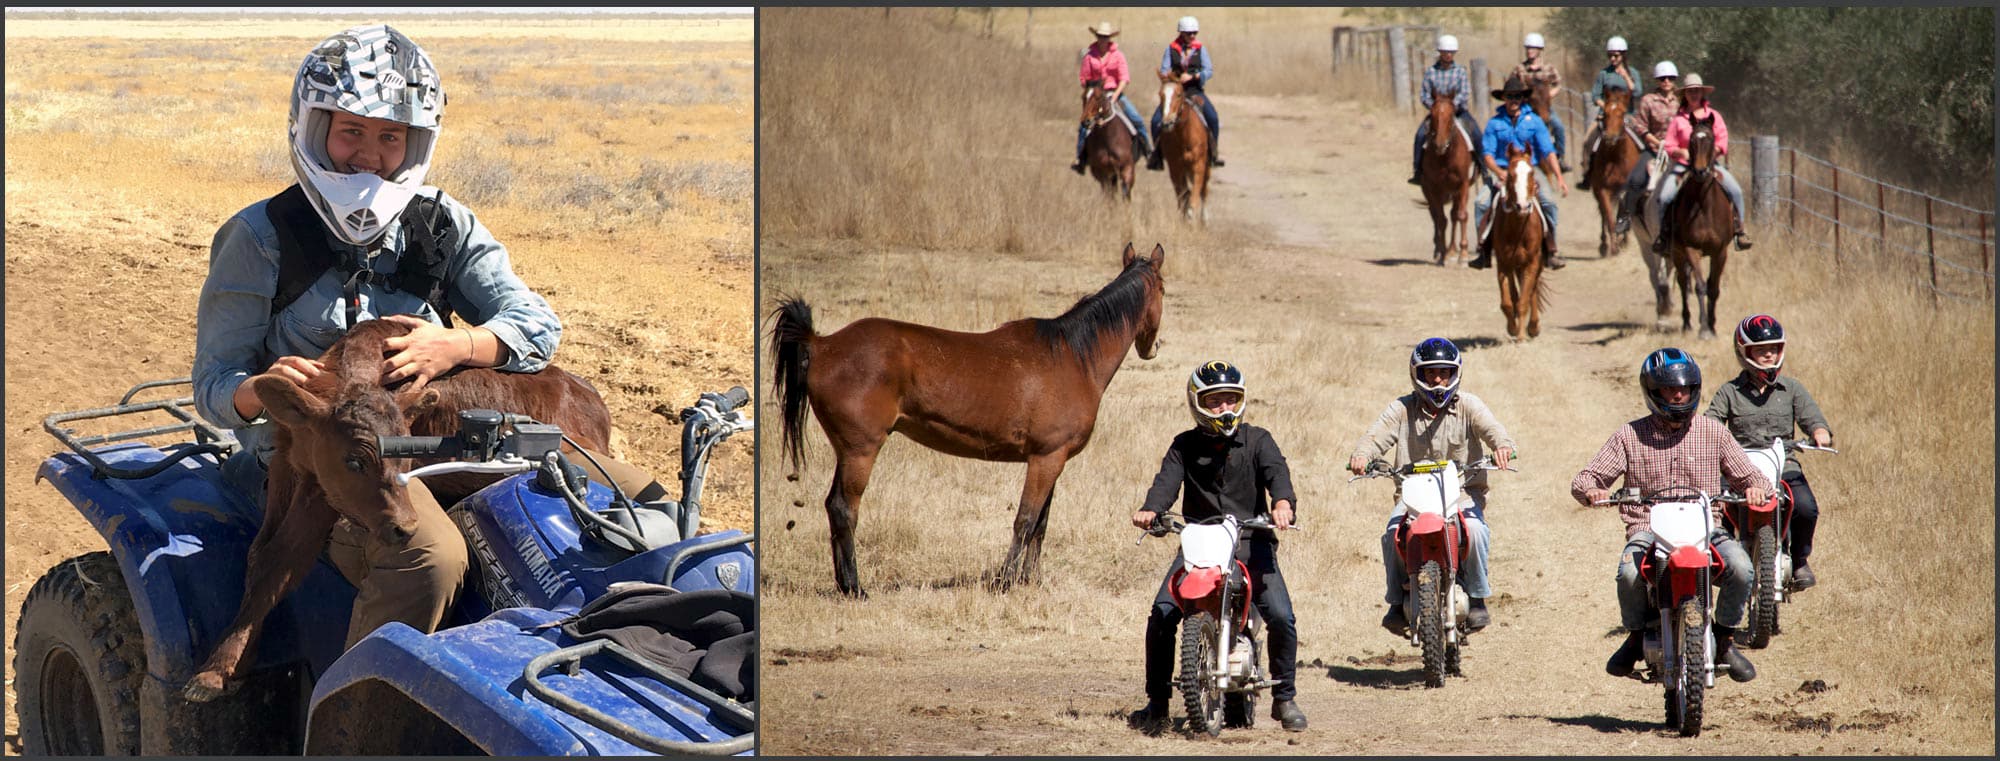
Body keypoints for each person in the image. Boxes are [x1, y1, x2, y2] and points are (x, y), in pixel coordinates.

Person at [193, 25, 667, 650]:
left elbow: (537, 325)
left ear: (415, 143)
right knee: (432, 558)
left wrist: (460, 347)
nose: (369, 154)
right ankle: (357, 713)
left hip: (440, 447)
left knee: (645, 505)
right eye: (351, 131)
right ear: (313, 130)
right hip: (317, 464)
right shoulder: (260, 238)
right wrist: (262, 389)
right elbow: (212, 386)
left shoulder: (442, 224)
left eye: (391, 137)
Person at [1570, 348, 1771, 683]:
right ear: (1652, 392)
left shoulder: (1714, 433)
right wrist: (1593, 491)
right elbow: (1585, 479)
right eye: (1668, 389)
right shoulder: (1629, 436)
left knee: (1741, 568)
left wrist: (1755, 488)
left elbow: (1753, 476)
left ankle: (1724, 640)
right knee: (1629, 575)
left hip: (1707, 529)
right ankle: (1635, 638)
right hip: (1648, 528)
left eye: (1685, 389)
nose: (1678, 395)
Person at [1130, 361, 1306, 733]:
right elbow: (1166, 483)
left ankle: (1284, 698)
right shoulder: (1184, 445)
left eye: (1231, 399)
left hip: (1250, 541)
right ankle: (1157, 704)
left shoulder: (1259, 439)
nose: (1225, 408)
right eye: (1215, 402)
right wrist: (1152, 510)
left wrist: (1283, 503)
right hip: (1199, 542)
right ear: (1197, 403)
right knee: (1162, 614)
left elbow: (1278, 473)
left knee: (1281, 616)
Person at [1347, 338, 1515, 635]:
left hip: (1462, 492)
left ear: (1455, 373)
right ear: (1416, 374)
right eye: (1430, 373)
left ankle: (1477, 598)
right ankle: (1397, 603)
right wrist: (1362, 455)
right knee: (1391, 535)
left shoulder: (1469, 405)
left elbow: (1494, 430)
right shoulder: (1402, 408)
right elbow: (1375, 436)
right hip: (1413, 495)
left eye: (1444, 372)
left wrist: (1502, 446)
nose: (1437, 379)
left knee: (1476, 530)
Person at [1704, 314, 1833, 589]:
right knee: (1717, 510)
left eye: (1773, 349)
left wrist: (1819, 431)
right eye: (1761, 350)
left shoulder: (1792, 388)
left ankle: (1799, 561)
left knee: (1806, 508)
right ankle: (1723, 565)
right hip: (1738, 466)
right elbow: (1710, 423)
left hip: (1783, 463)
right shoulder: (1729, 392)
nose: (1768, 355)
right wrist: (1710, 440)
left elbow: (1813, 418)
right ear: (1745, 352)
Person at [1469, 74, 1569, 271]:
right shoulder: (1494, 123)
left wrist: (1559, 177)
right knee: (1481, 203)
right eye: (1509, 97)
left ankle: (1551, 249)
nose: (1513, 101)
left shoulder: (1535, 121)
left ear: (1523, 98)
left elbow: (1548, 151)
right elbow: (1487, 154)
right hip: (1504, 171)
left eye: (1517, 97)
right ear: (1504, 98)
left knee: (1548, 202)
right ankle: (1483, 250)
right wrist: (1498, 172)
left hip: (1528, 170)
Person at [1649, 72, 1754, 253]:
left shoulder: (1714, 116)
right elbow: (1670, 143)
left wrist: (1712, 152)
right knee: (1665, 196)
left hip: (1710, 165)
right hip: (1683, 165)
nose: (1694, 94)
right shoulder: (1679, 119)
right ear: (1685, 95)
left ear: (1702, 93)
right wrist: (1680, 151)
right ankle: (1664, 236)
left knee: (1736, 190)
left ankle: (1739, 231)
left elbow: (1722, 140)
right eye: (1690, 91)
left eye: (1697, 91)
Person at [1074, 21, 1152, 175]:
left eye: (1106, 37)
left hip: (1114, 93)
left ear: (1110, 38)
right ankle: (1080, 159)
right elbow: (1084, 78)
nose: (1103, 39)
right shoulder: (1089, 56)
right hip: (1095, 95)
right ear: (1096, 37)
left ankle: (1148, 151)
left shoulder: (1118, 55)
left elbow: (1124, 78)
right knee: (1084, 125)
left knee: (1136, 119)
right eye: (1100, 36)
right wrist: (1092, 90)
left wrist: (1115, 96)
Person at [1614, 60, 1681, 235]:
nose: (1666, 81)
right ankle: (1625, 216)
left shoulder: (1681, 101)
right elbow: (1641, 126)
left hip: (1676, 152)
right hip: (1654, 150)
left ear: (1675, 80)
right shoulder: (1648, 101)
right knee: (1635, 180)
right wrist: (1657, 142)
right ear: (1657, 80)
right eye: (1662, 78)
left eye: (1670, 78)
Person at [1147, 15, 1223, 170]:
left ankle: (1213, 154)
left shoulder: (1200, 49)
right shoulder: (1171, 49)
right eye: (1189, 33)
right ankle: (1157, 156)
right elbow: (1164, 70)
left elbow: (1209, 71)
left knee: (1213, 117)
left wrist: (1194, 76)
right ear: (1181, 33)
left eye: (1195, 32)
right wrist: (1173, 78)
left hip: (1194, 91)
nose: (1193, 36)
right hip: (1175, 92)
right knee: (1156, 121)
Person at [1407, 34, 1483, 186]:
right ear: (1440, 52)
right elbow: (1424, 94)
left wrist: (1451, 106)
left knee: (1476, 133)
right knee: (1420, 134)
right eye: (1445, 52)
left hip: (1459, 112)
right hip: (1437, 114)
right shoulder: (1431, 72)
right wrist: (1435, 108)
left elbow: (1465, 92)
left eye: (1451, 52)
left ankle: (1483, 167)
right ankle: (1417, 170)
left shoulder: (1460, 71)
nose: (1448, 55)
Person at [1575, 36, 1641, 189]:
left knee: (1642, 143)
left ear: (1623, 55)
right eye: (1610, 55)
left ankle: (1643, 176)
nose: (1612, 58)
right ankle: (1588, 175)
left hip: (1628, 115)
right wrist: (1607, 108)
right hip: (1607, 116)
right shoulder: (1604, 74)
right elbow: (1595, 95)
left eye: (1616, 55)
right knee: (1588, 142)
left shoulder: (1633, 73)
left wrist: (1626, 77)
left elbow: (1637, 92)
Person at [1510, 33, 1568, 172]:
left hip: (1544, 108)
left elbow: (1558, 84)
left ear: (1540, 50)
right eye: (1528, 48)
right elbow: (1511, 85)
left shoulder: (1549, 68)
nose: (1530, 51)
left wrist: (1549, 96)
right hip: (1525, 108)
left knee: (1559, 127)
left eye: (1533, 48)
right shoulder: (1520, 69)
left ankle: (1560, 157)